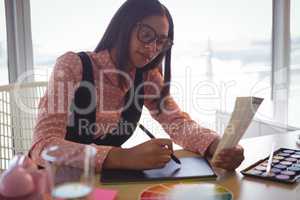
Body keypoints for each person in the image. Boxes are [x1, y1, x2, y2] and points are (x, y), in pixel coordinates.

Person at [29, 0, 244, 172]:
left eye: (161, 42)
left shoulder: (147, 77)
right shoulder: (73, 65)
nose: (153, 48)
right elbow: (43, 145)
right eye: (146, 35)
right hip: (56, 182)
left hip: (104, 182)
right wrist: (121, 156)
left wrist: (216, 144)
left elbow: (177, 123)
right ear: (124, 27)